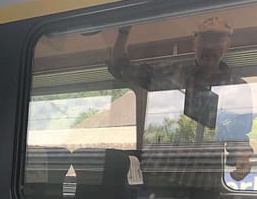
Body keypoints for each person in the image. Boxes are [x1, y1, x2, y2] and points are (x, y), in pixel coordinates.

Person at [108, 16, 253, 182]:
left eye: (217, 41)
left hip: (204, 181)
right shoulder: (170, 74)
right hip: (163, 176)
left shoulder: (237, 87)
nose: (209, 47)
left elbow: (238, 133)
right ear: (194, 43)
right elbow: (120, 68)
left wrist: (242, 158)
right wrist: (124, 30)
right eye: (204, 40)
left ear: (227, 45)